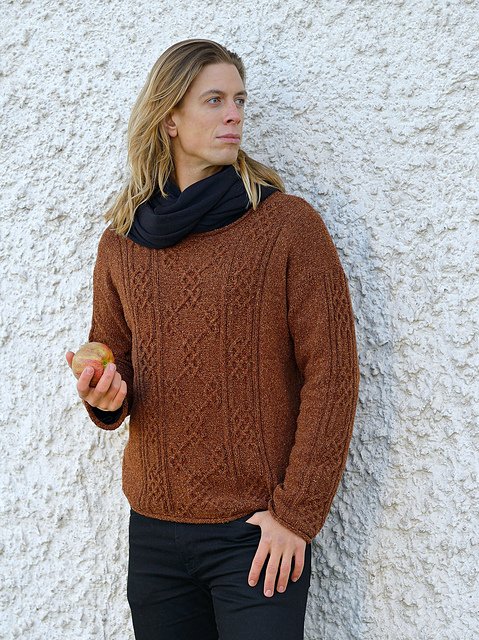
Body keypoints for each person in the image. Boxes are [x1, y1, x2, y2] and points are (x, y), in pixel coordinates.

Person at [66, 38, 360, 640]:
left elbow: (333, 373)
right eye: (215, 100)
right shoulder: (122, 243)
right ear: (169, 118)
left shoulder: (287, 226)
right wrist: (104, 395)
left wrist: (296, 516)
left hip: (255, 538)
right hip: (155, 535)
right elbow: (117, 358)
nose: (234, 116)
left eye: (240, 101)